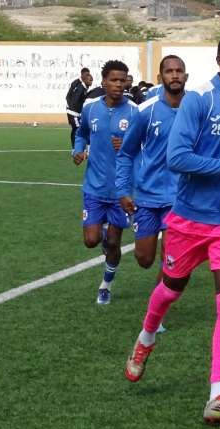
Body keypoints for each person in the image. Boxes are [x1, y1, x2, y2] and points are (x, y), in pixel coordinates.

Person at [122, 34, 220, 426]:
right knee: (170, 289)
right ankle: (146, 339)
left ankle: (217, 396)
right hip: (190, 218)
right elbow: (177, 158)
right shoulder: (199, 100)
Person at [72, 60, 139, 304]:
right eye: (114, 80)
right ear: (104, 82)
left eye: (122, 80)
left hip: (120, 191)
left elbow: (145, 148)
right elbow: (81, 134)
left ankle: (106, 285)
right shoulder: (90, 109)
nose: (118, 84)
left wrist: (131, 147)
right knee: (91, 241)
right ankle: (99, 230)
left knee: (114, 242)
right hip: (94, 187)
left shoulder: (133, 112)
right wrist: (77, 151)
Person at [115, 55, 188, 279]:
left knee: (170, 257)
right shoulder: (146, 111)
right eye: (169, 71)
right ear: (160, 77)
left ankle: (159, 308)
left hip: (179, 196)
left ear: (185, 76)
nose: (174, 75)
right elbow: (126, 153)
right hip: (147, 195)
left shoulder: (196, 109)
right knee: (144, 258)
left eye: (179, 71)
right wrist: (122, 190)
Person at [65, 68, 92, 150]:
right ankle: (79, 149)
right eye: (89, 79)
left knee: (75, 129)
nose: (91, 81)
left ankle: (75, 149)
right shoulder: (79, 86)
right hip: (74, 113)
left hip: (73, 112)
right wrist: (75, 111)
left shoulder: (84, 87)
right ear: (83, 76)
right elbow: (72, 99)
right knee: (79, 129)